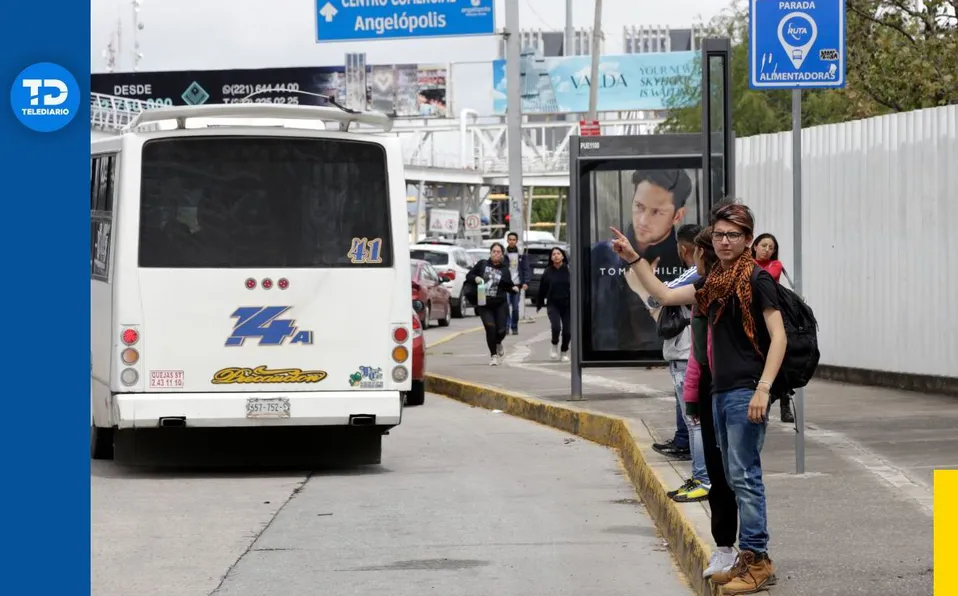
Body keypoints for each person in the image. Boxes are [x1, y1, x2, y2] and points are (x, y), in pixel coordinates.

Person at [611, 201, 787, 595]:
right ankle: (748, 557)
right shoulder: (712, 284)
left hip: (746, 392)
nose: (725, 241)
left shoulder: (757, 280)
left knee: (744, 475)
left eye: (734, 235)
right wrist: (634, 257)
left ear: (747, 239)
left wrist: (763, 388)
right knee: (731, 475)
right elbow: (662, 294)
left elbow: (779, 337)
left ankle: (758, 559)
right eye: (720, 234)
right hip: (719, 392)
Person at [625, 224, 710, 501]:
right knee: (696, 420)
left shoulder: (697, 274)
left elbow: (658, 296)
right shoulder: (707, 274)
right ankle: (703, 477)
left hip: (688, 356)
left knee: (695, 421)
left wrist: (635, 264)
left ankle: (703, 479)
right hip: (690, 356)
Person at [681, 227, 740, 579]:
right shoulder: (703, 295)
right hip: (710, 391)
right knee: (721, 476)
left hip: (735, 390)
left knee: (740, 476)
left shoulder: (740, 289)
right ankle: (725, 550)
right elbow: (697, 359)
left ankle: (751, 551)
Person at [591, 169, 695, 352]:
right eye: (639, 206)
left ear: (678, 216)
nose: (643, 220)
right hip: (611, 352)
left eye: (657, 212)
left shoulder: (684, 260)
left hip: (669, 352)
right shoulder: (602, 254)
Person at [752, 233, 793, 423]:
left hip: (773, 316)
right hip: (754, 318)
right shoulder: (747, 264)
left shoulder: (774, 266)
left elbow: (763, 279)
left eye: (771, 247)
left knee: (780, 359)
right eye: (764, 245)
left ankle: (785, 402)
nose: (767, 250)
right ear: (754, 246)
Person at [467, 242, 519, 366]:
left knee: (501, 331)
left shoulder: (504, 269)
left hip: (500, 303)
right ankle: (493, 355)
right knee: (490, 328)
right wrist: (476, 278)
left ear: (502, 254)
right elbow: (469, 275)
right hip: (484, 303)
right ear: (490, 253)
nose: (496, 254)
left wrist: (514, 289)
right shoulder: (482, 264)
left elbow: (507, 285)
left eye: (499, 252)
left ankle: (498, 342)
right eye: (494, 251)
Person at [535, 247, 571, 361]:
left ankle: (564, 351)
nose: (556, 255)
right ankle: (554, 345)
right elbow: (542, 289)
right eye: (553, 254)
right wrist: (539, 303)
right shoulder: (548, 271)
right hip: (553, 304)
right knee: (556, 327)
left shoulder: (569, 270)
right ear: (551, 257)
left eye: (558, 253)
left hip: (567, 304)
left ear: (563, 256)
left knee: (568, 330)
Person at [505, 232, 532, 336]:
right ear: (507, 241)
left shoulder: (521, 254)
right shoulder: (504, 254)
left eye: (513, 239)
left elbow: (526, 269)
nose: (512, 241)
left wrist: (525, 282)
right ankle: (506, 327)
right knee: (506, 306)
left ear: (516, 241)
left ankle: (514, 327)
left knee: (515, 308)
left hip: (517, 285)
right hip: (507, 285)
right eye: (510, 239)